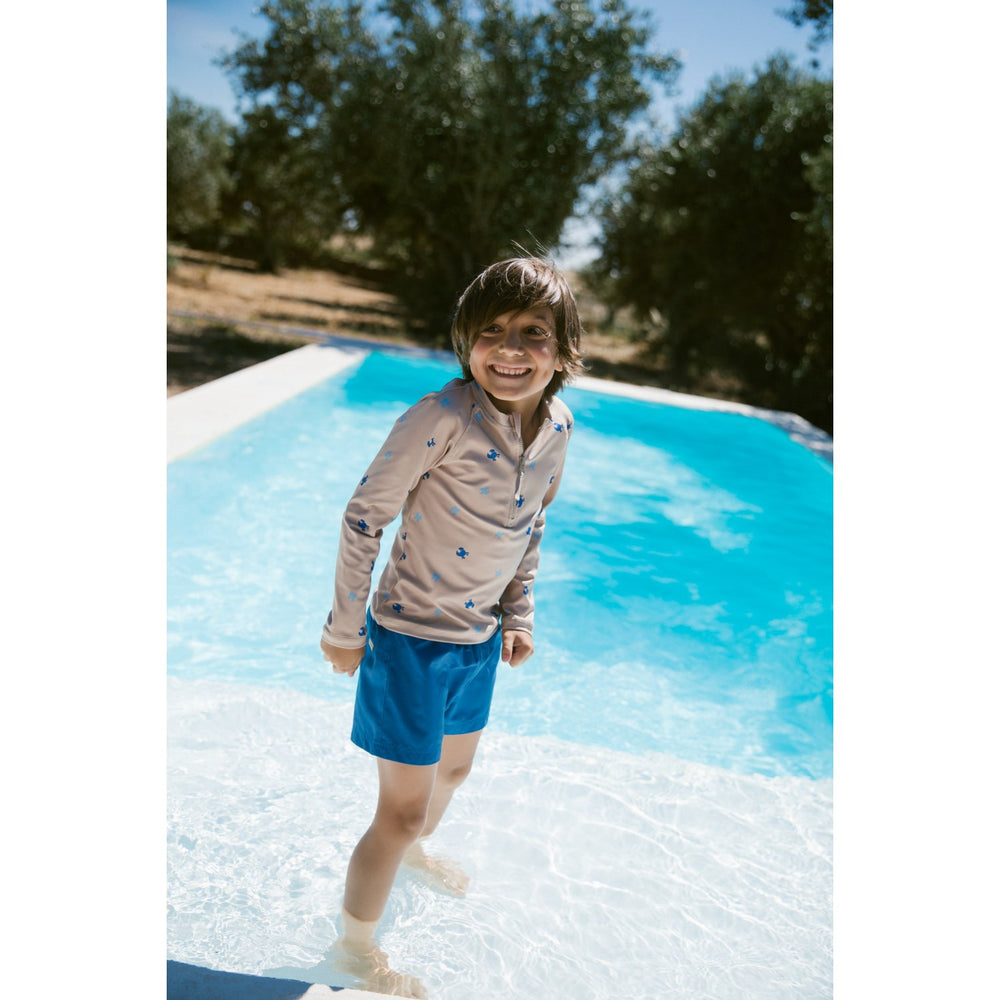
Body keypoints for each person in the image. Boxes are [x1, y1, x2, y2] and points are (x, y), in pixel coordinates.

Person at [319, 256, 584, 996]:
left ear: (564, 350)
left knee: (455, 773)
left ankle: (410, 854)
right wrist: (345, 628)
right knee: (402, 812)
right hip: (408, 639)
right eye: (492, 330)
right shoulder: (441, 417)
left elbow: (531, 525)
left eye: (533, 333)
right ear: (466, 340)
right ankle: (354, 952)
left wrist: (518, 613)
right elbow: (364, 516)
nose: (510, 349)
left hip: (476, 643)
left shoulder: (559, 428)